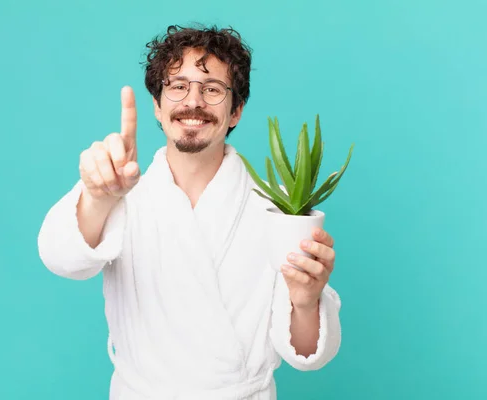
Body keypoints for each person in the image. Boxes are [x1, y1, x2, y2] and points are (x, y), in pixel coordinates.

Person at [37, 24, 341, 400]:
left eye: (212, 89)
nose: (193, 101)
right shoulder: (118, 190)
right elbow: (61, 259)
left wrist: (307, 300)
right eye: (178, 86)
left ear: (236, 112)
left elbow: (308, 355)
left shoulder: (279, 209)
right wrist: (98, 197)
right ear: (157, 107)